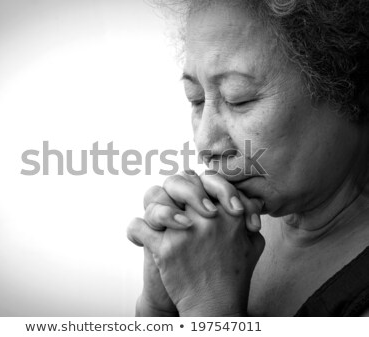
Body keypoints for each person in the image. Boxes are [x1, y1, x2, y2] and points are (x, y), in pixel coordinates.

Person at [127, 0, 369, 316]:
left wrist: (208, 306)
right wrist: (160, 307)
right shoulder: (223, 231)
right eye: (196, 99)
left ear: (350, 87)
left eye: (238, 99)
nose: (204, 142)